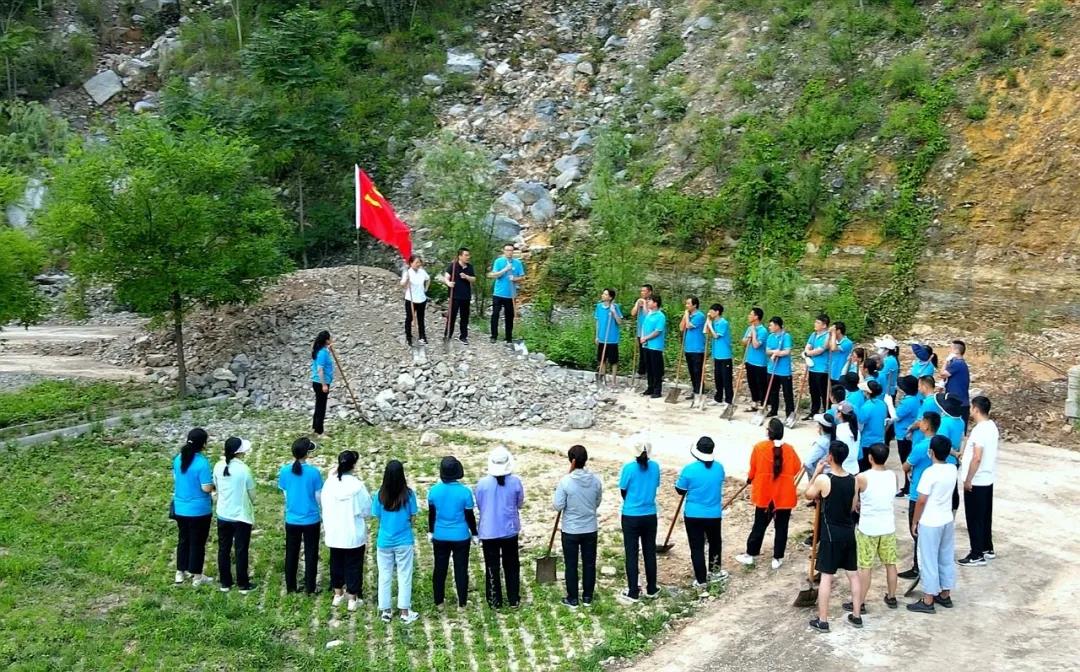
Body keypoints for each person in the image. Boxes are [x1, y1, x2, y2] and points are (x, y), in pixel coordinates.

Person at [805, 440, 864, 631]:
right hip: (848, 532)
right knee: (853, 575)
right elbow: (853, 506)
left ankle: (823, 620)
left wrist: (816, 473)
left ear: (830, 456)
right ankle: (857, 616)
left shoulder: (825, 479)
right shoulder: (854, 480)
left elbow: (808, 494)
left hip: (830, 534)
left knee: (826, 577)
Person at [736, 419, 802, 569]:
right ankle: (777, 558)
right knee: (782, 527)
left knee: (759, 525)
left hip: (764, 494)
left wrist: (750, 478)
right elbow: (796, 468)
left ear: (768, 432)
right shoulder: (790, 449)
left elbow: (753, 468)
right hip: (784, 495)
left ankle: (750, 554)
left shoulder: (759, 447)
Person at [900, 412, 957, 580]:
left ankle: (919, 568)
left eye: (922, 422)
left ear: (926, 425)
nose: (919, 424)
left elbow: (905, 466)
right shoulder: (943, 445)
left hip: (919, 494)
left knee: (917, 531)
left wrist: (909, 469)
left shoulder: (921, 447)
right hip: (939, 499)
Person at [907, 436, 959, 613]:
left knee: (928, 559)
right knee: (945, 557)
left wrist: (915, 521)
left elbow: (921, 500)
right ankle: (945, 594)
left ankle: (928, 599)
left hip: (930, 521)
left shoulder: (929, 473)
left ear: (931, 452)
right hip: (946, 519)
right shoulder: (952, 469)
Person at [474, 446, 525, 608]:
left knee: (491, 565)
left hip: (489, 531)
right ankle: (513, 598)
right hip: (509, 530)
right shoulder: (515, 482)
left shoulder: (482, 484)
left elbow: (480, 504)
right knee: (512, 565)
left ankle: (494, 600)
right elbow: (519, 503)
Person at [553, 445, 603, 608]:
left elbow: (558, 505)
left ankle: (573, 598)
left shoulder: (565, 481)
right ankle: (587, 596)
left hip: (571, 529)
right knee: (589, 563)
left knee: (571, 564)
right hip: (590, 528)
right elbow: (597, 502)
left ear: (571, 460)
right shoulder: (595, 480)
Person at [853, 443, 900, 613]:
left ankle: (860, 602)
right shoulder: (893, 476)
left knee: (865, 567)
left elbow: (854, 503)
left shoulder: (862, 477)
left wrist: (859, 505)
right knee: (890, 563)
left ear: (870, 458)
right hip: (888, 526)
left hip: (868, 528)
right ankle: (892, 596)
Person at [322, 450, 371, 612]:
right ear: (354, 466)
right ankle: (352, 598)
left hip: (335, 531)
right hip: (353, 532)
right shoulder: (357, 486)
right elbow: (367, 509)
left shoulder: (329, 484)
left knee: (336, 562)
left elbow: (323, 502)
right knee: (354, 565)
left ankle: (337, 594)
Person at [372, 460, 419, 624]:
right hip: (404, 540)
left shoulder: (380, 495)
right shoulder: (409, 495)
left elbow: (378, 516)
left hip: (384, 541)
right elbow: (413, 517)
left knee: (384, 575)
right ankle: (405, 611)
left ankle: (385, 611)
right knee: (404, 574)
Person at [676, 437, 727, 588]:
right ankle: (715, 572)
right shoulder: (719, 468)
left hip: (693, 514)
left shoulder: (689, 469)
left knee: (697, 547)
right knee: (715, 543)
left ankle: (701, 580)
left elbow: (680, 490)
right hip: (713, 514)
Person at [427, 456, 478, 608]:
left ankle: (439, 601)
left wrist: (431, 531)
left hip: (440, 535)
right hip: (460, 536)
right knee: (461, 569)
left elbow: (432, 514)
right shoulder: (465, 492)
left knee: (440, 568)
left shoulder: (434, 491)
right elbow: (469, 516)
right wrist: (474, 533)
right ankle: (462, 602)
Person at [617, 439, 662, 604]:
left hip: (631, 514)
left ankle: (633, 591)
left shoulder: (629, 468)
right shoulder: (655, 467)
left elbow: (623, 490)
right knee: (649, 551)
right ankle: (652, 588)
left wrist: (632, 502)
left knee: (631, 553)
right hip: (649, 513)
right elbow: (655, 485)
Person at [278, 437, 323, 594]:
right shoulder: (314, 473)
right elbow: (318, 496)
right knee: (311, 553)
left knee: (291, 553)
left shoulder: (284, 471)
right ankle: (310, 587)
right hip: (311, 519)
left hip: (292, 518)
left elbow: (285, 493)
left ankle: (291, 586)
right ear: (307, 454)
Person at [958, 396, 998, 567]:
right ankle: (987, 547)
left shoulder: (979, 430)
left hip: (977, 480)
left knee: (974, 518)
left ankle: (976, 554)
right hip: (987, 479)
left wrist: (968, 479)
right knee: (985, 516)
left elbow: (977, 457)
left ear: (975, 409)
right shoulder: (992, 426)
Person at [172, 428, 215, 587]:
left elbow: (176, 478)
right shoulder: (202, 463)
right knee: (197, 542)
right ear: (203, 444)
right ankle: (197, 576)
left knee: (183, 540)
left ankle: (180, 573)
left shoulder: (178, 459)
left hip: (180, 507)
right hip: (199, 510)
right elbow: (206, 488)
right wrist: (214, 486)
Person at [213, 436, 256, 594]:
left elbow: (216, 486)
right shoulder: (244, 470)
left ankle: (225, 583)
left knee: (223, 549)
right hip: (241, 516)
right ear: (239, 452)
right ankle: (243, 584)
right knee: (241, 549)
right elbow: (252, 494)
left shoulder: (218, 466)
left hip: (223, 513)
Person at [487, 244, 525, 344]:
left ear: (513, 252)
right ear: (504, 251)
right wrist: (505, 269)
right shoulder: (498, 261)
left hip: (511, 295)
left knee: (509, 316)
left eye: (511, 250)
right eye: (507, 250)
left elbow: (522, 277)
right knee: (495, 314)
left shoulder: (518, 263)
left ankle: (508, 338)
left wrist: (515, 278)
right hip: (498, 293)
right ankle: (493, 336)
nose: (509, 252)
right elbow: (495, 275)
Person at [893, 375, 922, 496]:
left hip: (903, 435)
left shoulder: (907, 402)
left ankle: (907, 487)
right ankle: (908, 486)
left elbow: (896, 416)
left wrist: (889, 404)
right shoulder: (916, 398)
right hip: (909, 434)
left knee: (905, 461)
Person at [443, 247, 477, 344]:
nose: (468, 257)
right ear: (460, 256)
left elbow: (474, 279)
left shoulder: (469, 267)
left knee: (464, 317)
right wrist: (448, 283)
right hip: (454, 295)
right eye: (466, 255)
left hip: (466, 296)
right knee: (451, 316)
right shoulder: (453, 266)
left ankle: (463, 336)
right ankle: (448, 335)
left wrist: (466, 277)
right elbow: (446, 276)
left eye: (468, 255)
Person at [764, 317, 794, 419]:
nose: (769, 327)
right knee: (773, 391)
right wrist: (774, 352)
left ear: (777, 326)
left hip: (784, 370)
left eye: (771, 325)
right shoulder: (770, 336)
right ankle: (773, 410)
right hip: (772, 368)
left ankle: (789, 413)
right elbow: (767, 351)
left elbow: (787, 351)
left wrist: (777, 353)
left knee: (787, 393)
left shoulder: (786, 336)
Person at [704, 303, 733, 406]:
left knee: (726, 378)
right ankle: (718, 398)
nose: (710, 313)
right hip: (716, 354)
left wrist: (710, 325)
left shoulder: (723, 322)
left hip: (725, 355)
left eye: (711, 311)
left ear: (717, 312)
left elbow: (716, 336)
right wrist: (708, 321)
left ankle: (729, 400)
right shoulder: (713, 322)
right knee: (718, 377)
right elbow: (705, 331)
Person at [855, 380, 888, 472]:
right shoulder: (882, 404)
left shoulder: (866, 407)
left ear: (867, 393)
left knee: (865, 469)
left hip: (867, 442)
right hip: (880, 440)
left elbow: (860, 422)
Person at [803, 314, 831, 418]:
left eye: (818, 323)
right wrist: (807, 351)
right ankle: (814, 411)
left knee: (823, 392)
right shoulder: (814, 335)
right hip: (812, 367)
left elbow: (821, 350)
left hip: (823, 369)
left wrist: (808, 353)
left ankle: (827, 412)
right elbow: (808, 346)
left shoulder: (828, 336)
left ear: (824, 325)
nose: (815, 324)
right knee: (813, 391)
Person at [680, 296, 708, 400]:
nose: (686, 306)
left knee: (697, 371)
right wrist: (685, 316)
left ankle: (700, 392)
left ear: (694, 305)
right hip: (688, 347)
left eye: (688, 304)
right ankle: (695, 390)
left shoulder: (699, 316)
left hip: (697, 348)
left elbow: (689, 326)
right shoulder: (688, 315)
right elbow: (682, 327)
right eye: (686, 303)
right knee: (691, 371)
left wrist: (687, 315)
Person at [594, 288, 624, 384]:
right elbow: (597, 322)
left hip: (612, 338)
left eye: (605, 294)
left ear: (610, 297)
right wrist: (597, 336)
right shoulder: (599, 306)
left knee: (613, 361)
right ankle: (604, 379)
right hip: (602, 337)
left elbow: (619, 322)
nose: (603, 295)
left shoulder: (615, 307)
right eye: (603, 294)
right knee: (601, 359)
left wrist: (614, 312)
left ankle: (613, 381)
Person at [639, 295, 667, 399]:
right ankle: (650, 387)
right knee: (649, 367)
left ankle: (657, 390)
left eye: (649, 301)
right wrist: (643, 338)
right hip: (646, 345)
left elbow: (657, 331)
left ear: (655, 303)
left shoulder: (660, 316)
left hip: (655, 346)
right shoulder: (649, 314)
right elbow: (644, 327)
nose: (648, 303)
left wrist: (646, 338)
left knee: (656, 368)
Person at [742, 307, 769, 412]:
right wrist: (748, 337)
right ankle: (754, 402)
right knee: (752, 383)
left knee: (761, 384)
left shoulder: (763, 330)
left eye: (751, 314)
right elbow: (744, 342)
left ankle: (764, 404)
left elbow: (756, 345)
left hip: (760, 362)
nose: (749, 316)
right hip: (749, 360)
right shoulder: (749, 328)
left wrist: (753, 332)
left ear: (756, 317)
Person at [401, 254, 431, 347]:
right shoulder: (408, 273)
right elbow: (402, 284)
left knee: (421, 318)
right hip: (411, 299)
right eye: (416, 262)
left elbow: (428, 279)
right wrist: (407, 280)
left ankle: (422, 336)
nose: (418, 264)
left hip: (421, 298)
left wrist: (426, 289)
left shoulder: (422, 271)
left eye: (419, 262)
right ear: (411, 263)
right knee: (409, 318)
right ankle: (408, 336)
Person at [940, 340, 971, 427]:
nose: (949, 351)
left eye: (951, 349)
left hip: (958, 403)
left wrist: (946, 361)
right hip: (958, 402)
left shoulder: (958, 363)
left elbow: (942, 374)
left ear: (956, 351)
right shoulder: (958, 363)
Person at [310, 331, 333, 438]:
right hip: (321, 382)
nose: (331, 340)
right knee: (321, 407)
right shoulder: (322, 353)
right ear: (326, 340)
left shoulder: (321, 351)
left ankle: (316, 428)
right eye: (330, 338)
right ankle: (320, 431)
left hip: (318, 382)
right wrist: (324, 385)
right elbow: (320, 369)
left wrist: (329, 349)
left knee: (319, 405)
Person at [630, 284, 655, 378]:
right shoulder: (639, 301)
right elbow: (633, 313)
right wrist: (637, 304)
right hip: (640, 330)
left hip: (649, 332)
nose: (642, 293)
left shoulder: (653, 302)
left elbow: (647, 314)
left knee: (649, 352)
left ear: (650, 292)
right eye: (641, 291)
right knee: (642, 352)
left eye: (644, 291)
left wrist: (644, 303)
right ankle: (641, 371)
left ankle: (651, 372)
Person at [805, 412, 837, 480]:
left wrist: (815, 475)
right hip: (833, 473)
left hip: (823, 476)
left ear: (820, 427)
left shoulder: (821, 443)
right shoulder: (836, 437)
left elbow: (807, 463)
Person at [833, 401, 861, 476]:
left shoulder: (839, 429)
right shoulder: (856, 430)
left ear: (840, 414)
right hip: (854, 468)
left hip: (842, 469)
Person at [828, 321, 854, 387]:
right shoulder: (833, 341)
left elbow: (834, 348)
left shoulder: (848, 343)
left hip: (841, 374)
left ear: (839, 331)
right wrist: (829, 334)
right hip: (831, 373)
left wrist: (833, 335)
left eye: (834, 330)